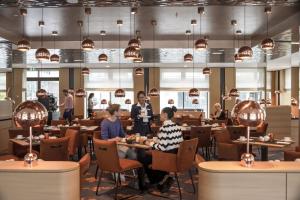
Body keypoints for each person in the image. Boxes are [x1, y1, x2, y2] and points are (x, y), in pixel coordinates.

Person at [138, 106, 183, 193]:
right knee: (147, 156)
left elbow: (161, 147)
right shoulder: (177, 127)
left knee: (142, 157)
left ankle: (155, 180)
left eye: (161, 113)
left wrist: (148, 143)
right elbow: (169, 141)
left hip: (165, 157)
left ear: (165, 115)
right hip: (175, 156)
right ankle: (162, 177)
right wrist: (155, 140)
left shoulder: (164, 128)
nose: (160, 115)